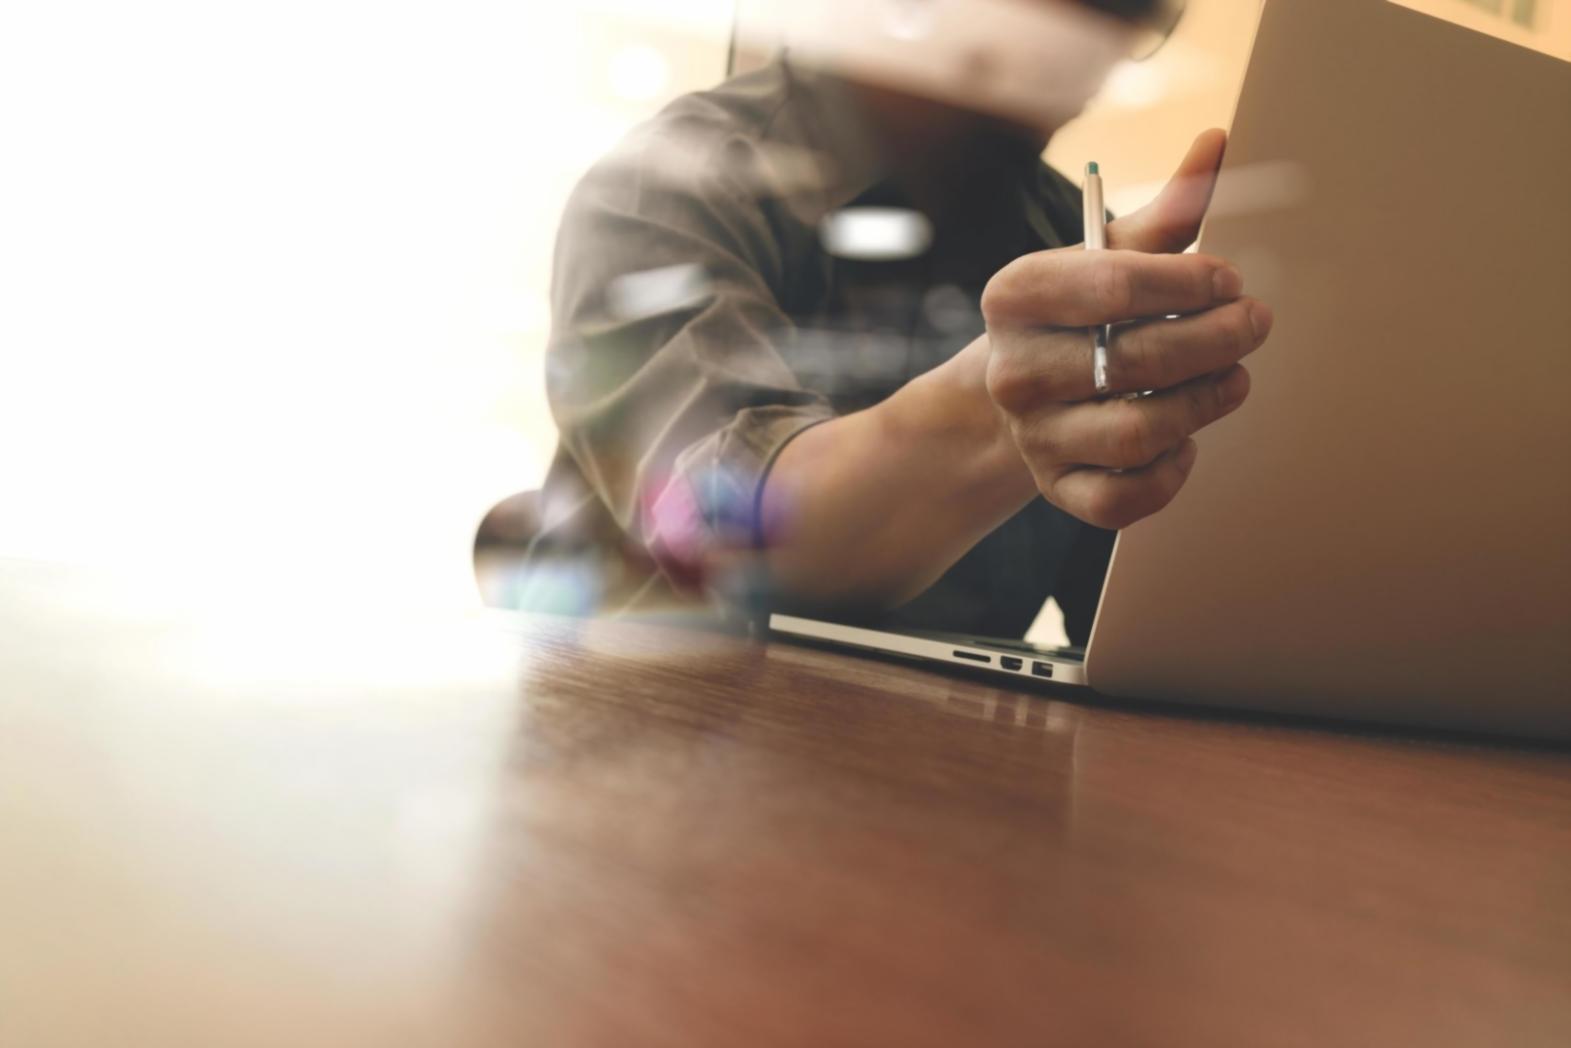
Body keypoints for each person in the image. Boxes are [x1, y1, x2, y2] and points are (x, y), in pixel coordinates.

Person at [520, 0, 1273, 647]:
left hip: (951, 774)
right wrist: (1003, 411)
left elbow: (1131, 621)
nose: (1094, 56)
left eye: (1127, 15)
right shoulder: (669, 188)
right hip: (648, 750)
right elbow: (729, 538)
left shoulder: (1067, 239)